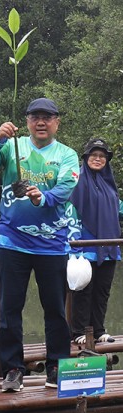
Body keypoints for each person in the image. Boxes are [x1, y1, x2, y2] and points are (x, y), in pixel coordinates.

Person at [0, 98, 79, 392]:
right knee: (10, 309)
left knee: (56, 310)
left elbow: (66, 187)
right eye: (35, 117)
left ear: (57, 122)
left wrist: (41, 198)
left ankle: (56, 365)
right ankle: (13, 369)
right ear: (28, 121)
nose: (41, 122)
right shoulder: (13, 145)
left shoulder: (67, 155)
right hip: (13, 242)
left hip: (53, 244)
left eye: (47, 117)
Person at [67, 138, 122, 345]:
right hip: (84, 246)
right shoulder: (77, 180)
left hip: (108, 246)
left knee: (102, 291)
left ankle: (99, 330)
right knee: (83, 290)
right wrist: (74, 244)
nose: (98, 159)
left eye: (102, 156)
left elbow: (118, 208)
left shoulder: (109, 183)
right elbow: (69, 209)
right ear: (86, 157)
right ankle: (78, 331)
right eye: (94, 155)